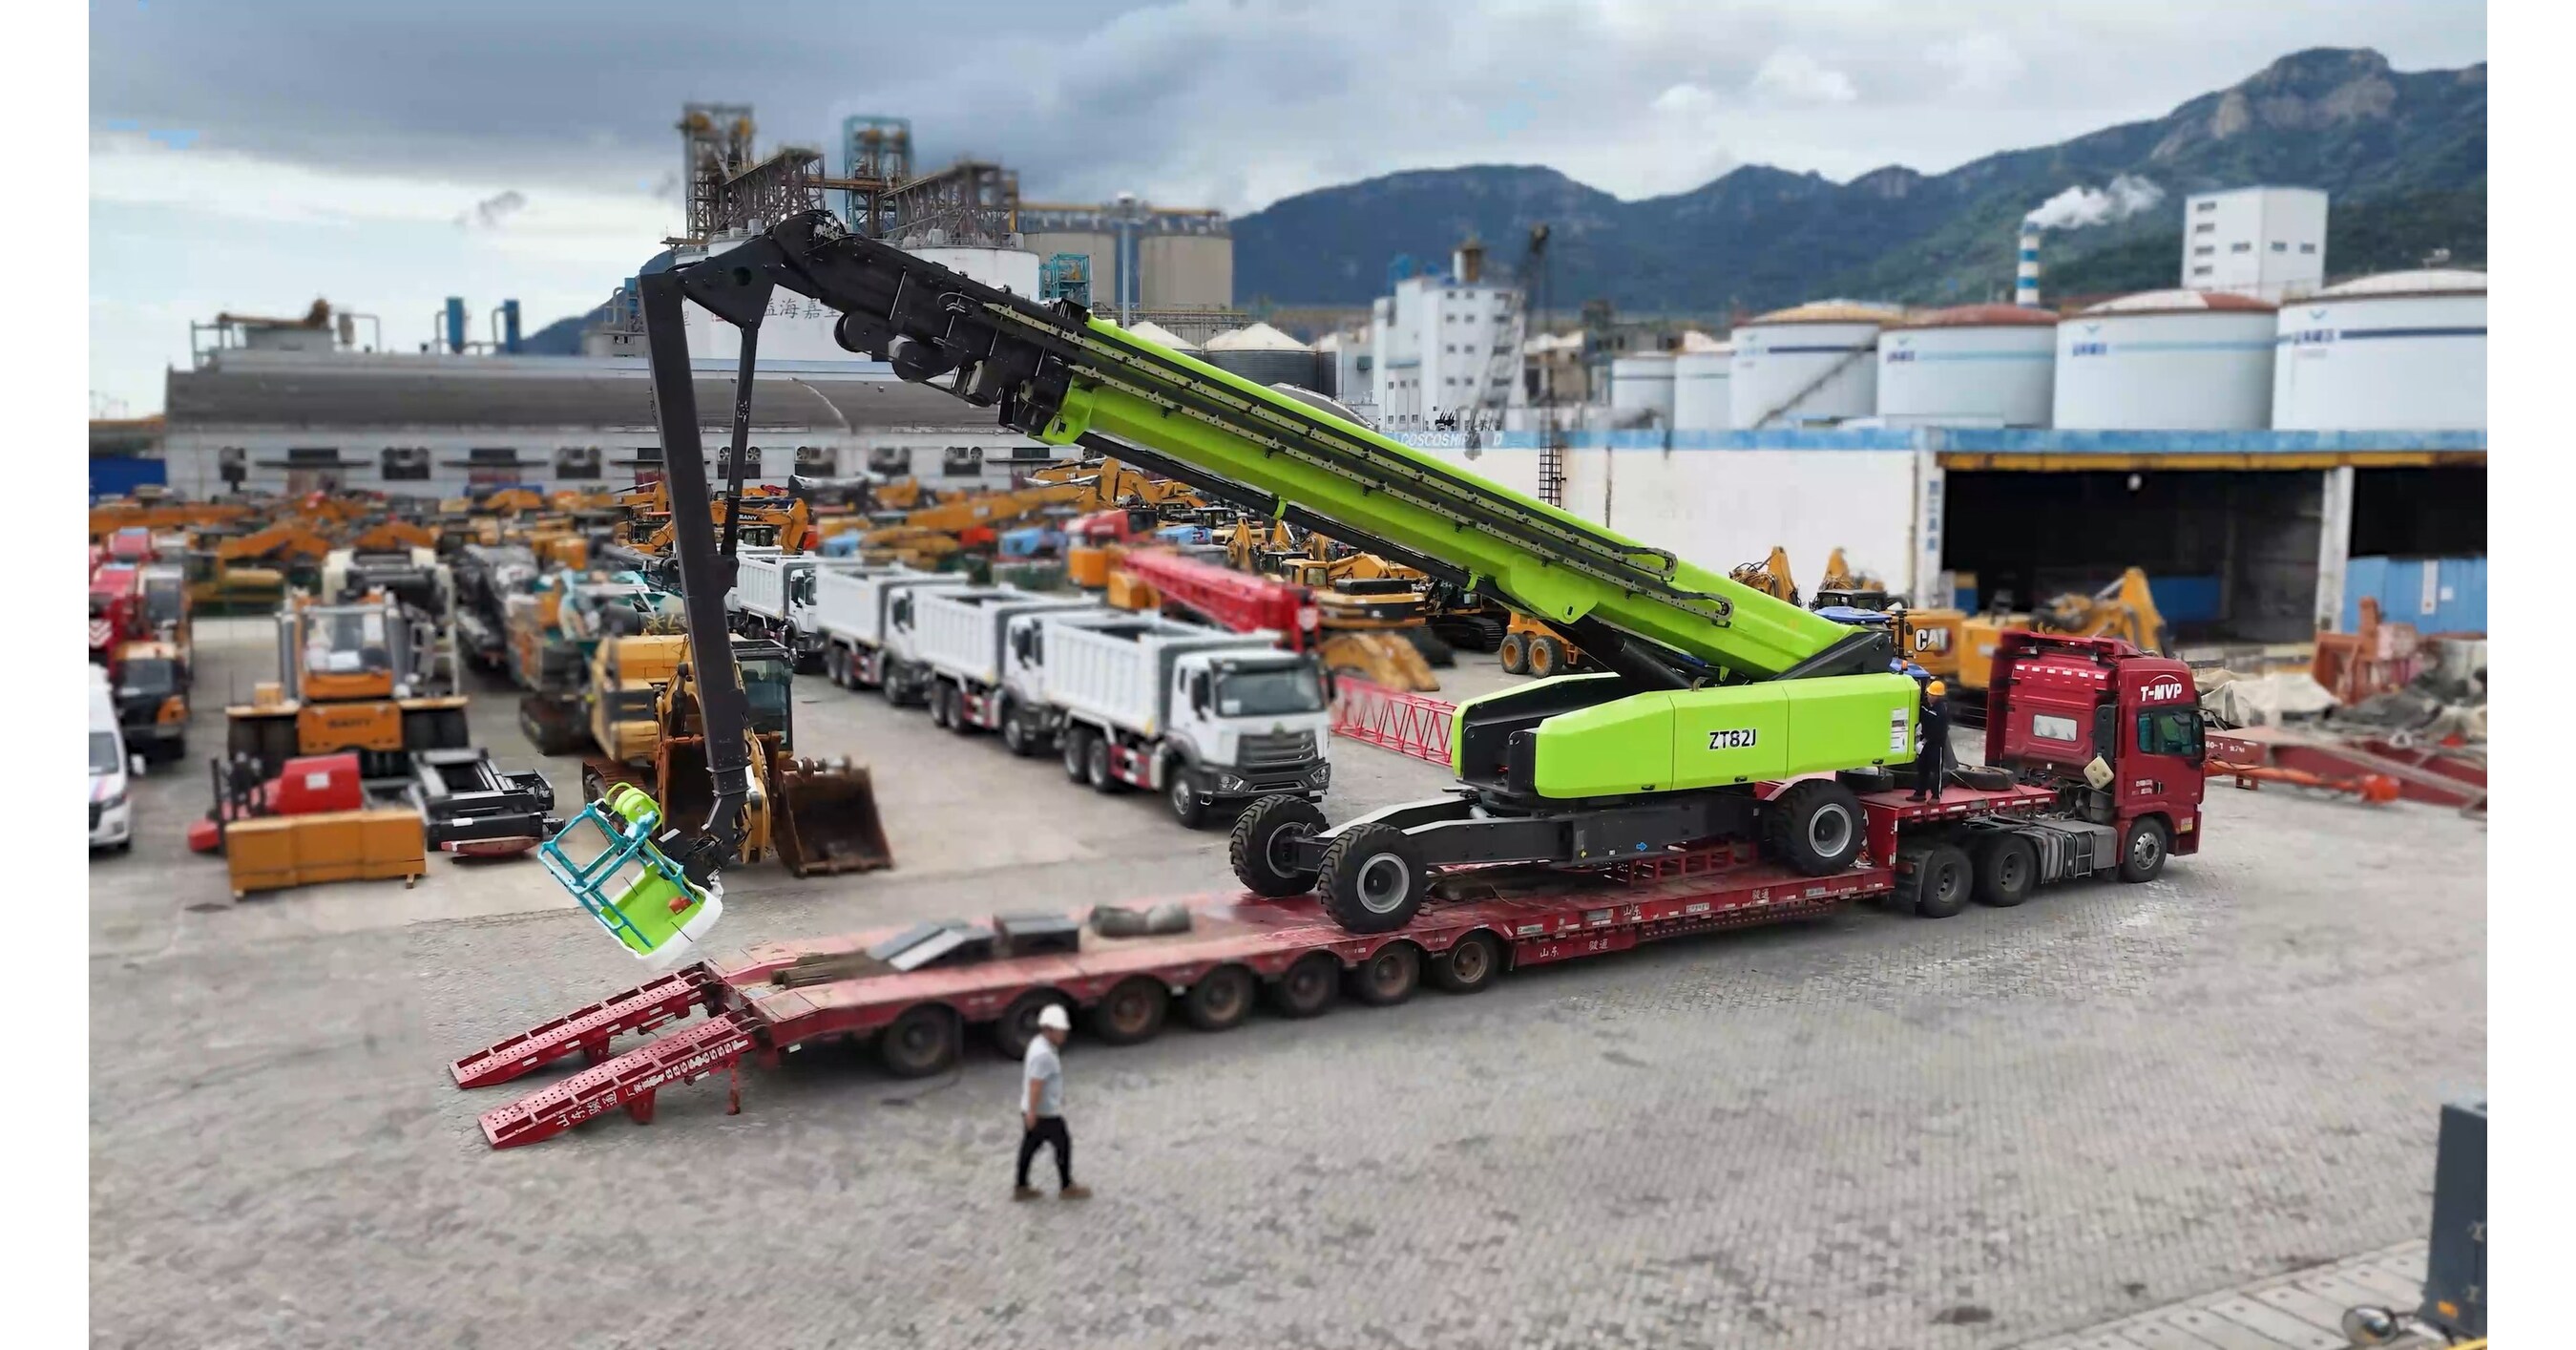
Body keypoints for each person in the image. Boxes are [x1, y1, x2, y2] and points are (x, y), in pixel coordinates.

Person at [1014, 1004, 1090, 1201]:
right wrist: (1033, 1112)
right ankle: (1067, 1186)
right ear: (1049, 1030)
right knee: (1063, 1144)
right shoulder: (1044, 1055)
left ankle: (1021, 1186)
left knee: (1029, 1146)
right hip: (1045, 1112)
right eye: (1061, 1031)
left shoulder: (1038, 1043)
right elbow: (1036, 1084)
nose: (1064, 1034)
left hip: (1034, 1108)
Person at [1912, 679, 1953, 802]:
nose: (1929, 696)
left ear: (1938, 696)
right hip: (1925, 742)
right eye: (1929, 694)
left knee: (1935, 771)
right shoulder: (1926, 705)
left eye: (1932, 695)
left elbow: (1938, 731)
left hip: (1935, 745)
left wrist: (1924, 741)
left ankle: (1936, 796)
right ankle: (1920, 793)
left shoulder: (1941, 710)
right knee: (1922, 768)